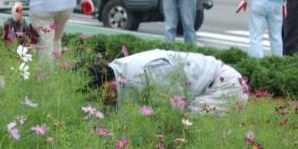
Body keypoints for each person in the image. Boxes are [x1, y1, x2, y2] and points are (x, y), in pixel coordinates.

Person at [86, 49, 247, 115]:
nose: (100, 101)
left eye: (99, 94)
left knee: (188, 131)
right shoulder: (120, 72)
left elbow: (173, 111)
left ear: (108, 83)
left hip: (223, 86)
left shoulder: (144, 75)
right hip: (207, 87)